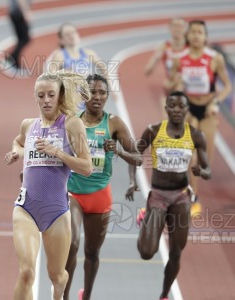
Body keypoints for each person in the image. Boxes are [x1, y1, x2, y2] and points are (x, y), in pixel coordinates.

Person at [4, 70, 93, 300]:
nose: (46, 100)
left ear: (60, 95)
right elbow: (18, 141)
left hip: (56, 211)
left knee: (57, 276)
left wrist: (57, 152)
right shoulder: (28, 125)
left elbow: (86, 167)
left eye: (51, 95)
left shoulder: (72, 125)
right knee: (26, 273)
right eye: (41, 95)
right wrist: (17, 152)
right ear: (35, 97)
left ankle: (59, 292)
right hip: (26, 208)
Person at [125, 91, 211, 300]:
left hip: (181, 195)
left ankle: (164, 295)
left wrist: (202, 172)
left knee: (176, 252)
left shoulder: (196, 135)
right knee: (146, 252)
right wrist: (132, 181)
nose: (176, 110)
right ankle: (145, 217)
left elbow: (208, 170)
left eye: (181, 106)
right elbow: (134, 155)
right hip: (159, 195)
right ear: (166, 108)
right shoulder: (154, 131)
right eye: (172, 106)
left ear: (186, 109)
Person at [63, 74, 142, 300]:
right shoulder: (71, 120)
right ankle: (63, 296)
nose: (97, 97)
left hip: (99, 195)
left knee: (92, 253)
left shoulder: (114, 123)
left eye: (102, 93)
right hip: (72, 192)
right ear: (83, 95)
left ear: (107, 96)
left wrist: (118, 151)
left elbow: (137, 158)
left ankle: (86, 296)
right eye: (92, 92)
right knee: (72, 244)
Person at [166, 20, 232, 214]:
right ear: (188, 36)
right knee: (190, 157)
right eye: (193, 32)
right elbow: (172, 84)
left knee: (204, 162)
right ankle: (192, 197)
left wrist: (216, 102)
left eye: (199, 32)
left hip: (208, 110)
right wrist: (175, 84)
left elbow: (227, 86)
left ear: (205, 36)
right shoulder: (180, 58)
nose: (195, 35)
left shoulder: (215, 58)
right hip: (188, 110)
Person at [46, 22, 118, 101]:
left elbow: (103, 68)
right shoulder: (60, 56)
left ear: (77, 35)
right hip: (70, 102)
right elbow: (50, 78)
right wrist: (63, 74)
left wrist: (111, 89)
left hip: (88, 100)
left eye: (73, 32)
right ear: (61, 40)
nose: (71, 36)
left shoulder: (89, 53)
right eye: (67, 34)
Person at [144, 17, 187, 117]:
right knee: (166, 125)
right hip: (169, 89)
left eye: (180, 26)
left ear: (184, 28)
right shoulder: (164, 47)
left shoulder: (190, 47)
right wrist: (156, 58)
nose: (177, 29)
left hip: (188, 91)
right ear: (169, 28)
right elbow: (147, 72)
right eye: (174, 26)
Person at [7, 0, 32, 69]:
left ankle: (13, 59)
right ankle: (12, 57)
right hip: (18, 14)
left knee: (22, 39)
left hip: (15, 13)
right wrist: (25, 13)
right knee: (25, 39)